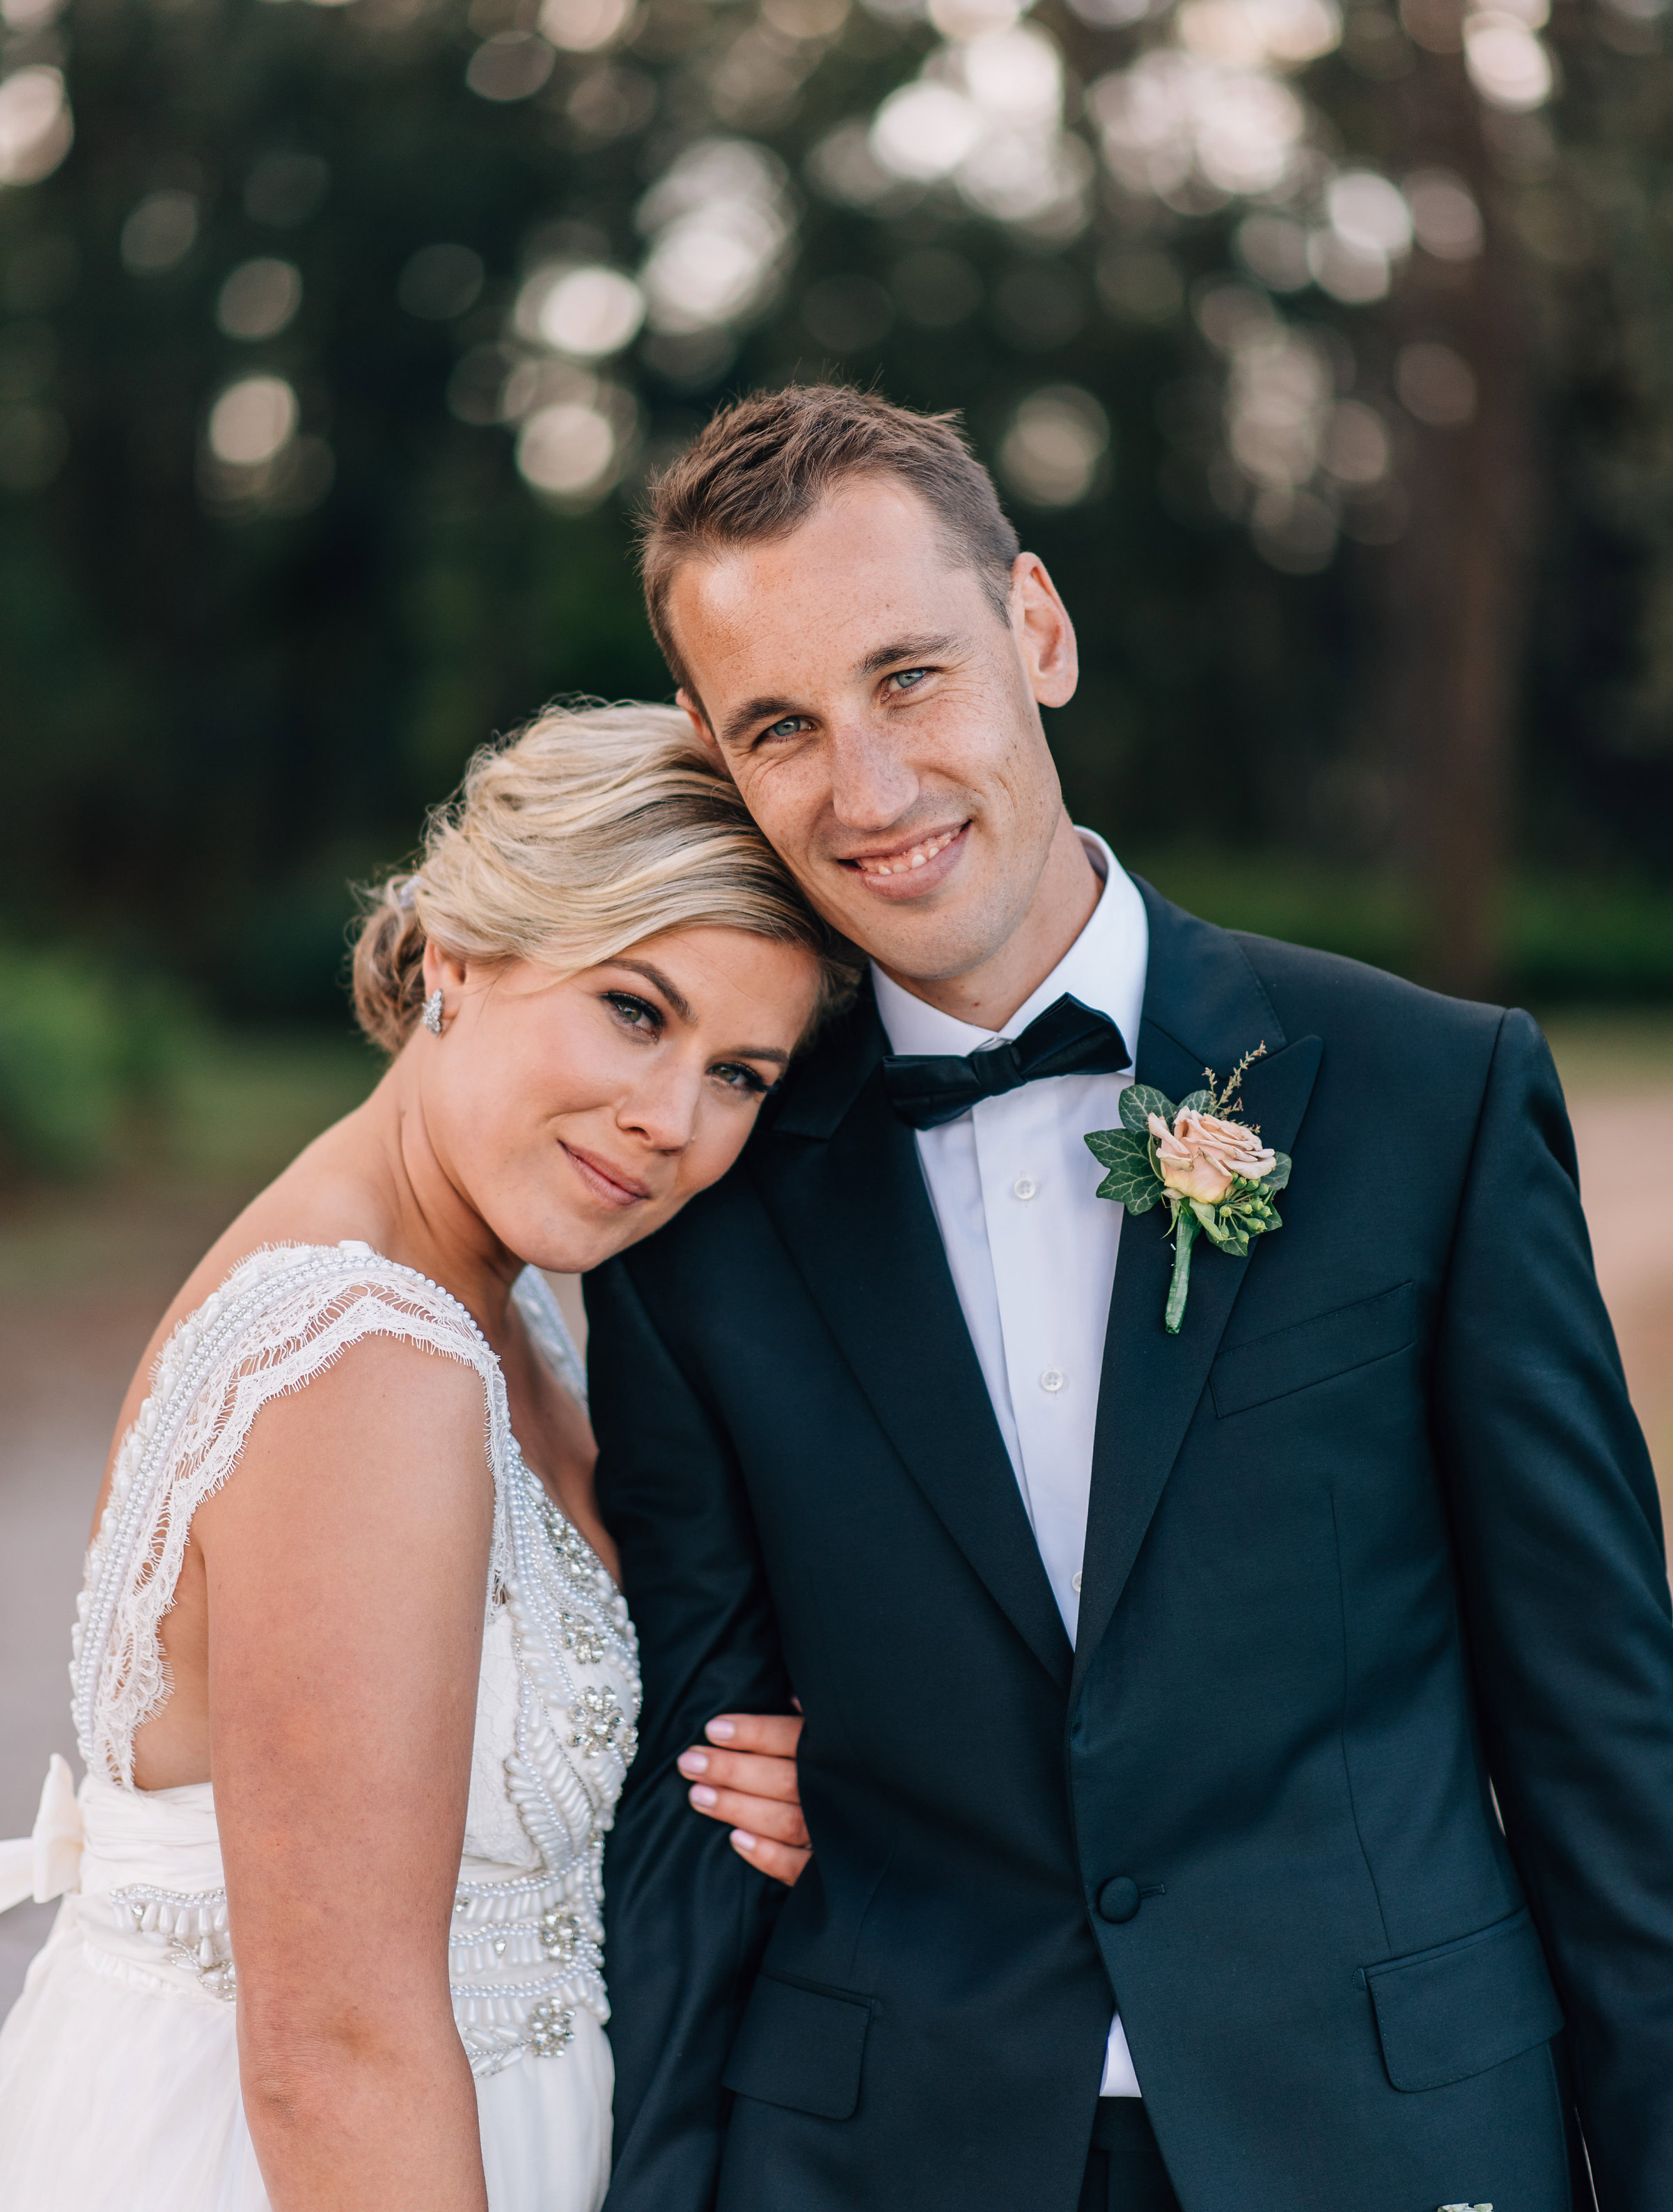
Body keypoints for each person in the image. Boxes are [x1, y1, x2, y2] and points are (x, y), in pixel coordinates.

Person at [586, 384, 1673, 2212]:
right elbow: (695, 1803)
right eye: (783, 726)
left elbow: (1599, 1741)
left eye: (909, 676)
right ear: (713, 750)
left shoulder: (1428, 1097)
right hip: (882, 2157)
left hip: (1389, 2138)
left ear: (1037, 627)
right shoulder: (699, 1201)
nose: (869, 789)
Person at [0, 700, 847, 2212]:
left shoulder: (491, 1303)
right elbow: (331, 2047)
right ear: (458, 954)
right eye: (637, 1010)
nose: (670, 1122)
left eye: (742, 1075)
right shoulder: (365, 1356)